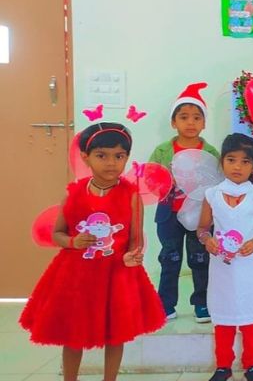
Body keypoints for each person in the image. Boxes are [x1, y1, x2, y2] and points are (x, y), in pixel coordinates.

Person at [20, 123, 165, 381]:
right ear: (85, 157)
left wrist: (133, 254)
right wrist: (73, 242)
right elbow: (57, 234)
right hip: (77, 277)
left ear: (127, 158)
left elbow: (135, 240)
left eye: (119, 156)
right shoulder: (74, 193)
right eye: (102, 155)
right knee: (73, 333)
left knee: (116, 332)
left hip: (116, 275)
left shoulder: (131, 195)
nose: (111, 163)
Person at [197, 133, 253, 381]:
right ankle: (223, 366)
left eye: (245, 161)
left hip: (251, 266)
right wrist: (207, 240)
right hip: (223, 267)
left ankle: (252, 365)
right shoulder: (212, 195)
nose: (237, 166)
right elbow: (202, 228)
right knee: (224, 316)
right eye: (231, 160)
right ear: (222, 162)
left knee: (252, 317)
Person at [150, 82, 220, 322]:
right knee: (170, 259)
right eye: (184, 117)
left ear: (204, 123)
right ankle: (165, 305)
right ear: (174, 122)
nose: (191, 122)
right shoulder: (162, 151)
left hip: (199, 216)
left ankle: (202, 303)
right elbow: (150, 177)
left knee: (200, 259)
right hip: (169, 214)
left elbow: (217, 181)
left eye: (197, 118)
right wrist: (165, 181)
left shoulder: (210, 152)